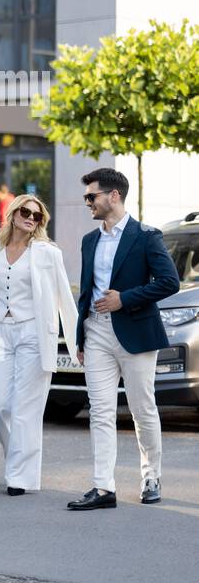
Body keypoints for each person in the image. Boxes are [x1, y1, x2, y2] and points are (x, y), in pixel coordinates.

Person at [67, 168, 180, 510]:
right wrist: (81, 337)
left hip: (135, 332)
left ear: (113, 196)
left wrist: (125, 298)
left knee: (142, 409)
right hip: (96, 331)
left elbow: (169, 282)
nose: (88, 202)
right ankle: (103, 487)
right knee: (100, 411)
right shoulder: (90, 240)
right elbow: (86, 293)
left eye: (92, 196)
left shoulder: (146, 236)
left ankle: (151, 477)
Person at [0, 194, 78, 495]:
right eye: (26, 212)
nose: (31, 218)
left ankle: (19, 477)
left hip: (32, 333)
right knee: (0, 404)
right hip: (0, 332)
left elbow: (64, 296)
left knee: (26, 407)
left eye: (37, 216)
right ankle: (19, 458)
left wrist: (77, 336)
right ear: (13, 215)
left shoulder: (46, 253)